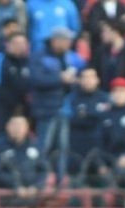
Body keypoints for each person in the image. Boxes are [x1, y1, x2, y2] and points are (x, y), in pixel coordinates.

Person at [30, 26, 85, 178]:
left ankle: (60, 180)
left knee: (63, 147)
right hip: (46, 109)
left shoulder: (69, 57)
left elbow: (78, 77)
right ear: (56, 40)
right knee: (44, 146)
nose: (69, 44)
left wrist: (75, 81)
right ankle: (38, 178)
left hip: (65, 109)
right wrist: (60, 78)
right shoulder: (39, 56)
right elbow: (36, 79)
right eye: (66, 40)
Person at [63, 68, 111, 185]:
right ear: (79, 80)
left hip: (100, 152)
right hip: (76, 152)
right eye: (84, 77)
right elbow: (69, 119)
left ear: (97, 80)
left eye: (91, 77)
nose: (88, 80)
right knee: (76, 193)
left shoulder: (105, 98)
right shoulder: (71, 98)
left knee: (100, 194)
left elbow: (108, 119)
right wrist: (94, 115)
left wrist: (86, 115)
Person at [0, 115, 49, 197]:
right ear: (7, 127)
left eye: (20, 125)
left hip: (33, 196)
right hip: (7, 197)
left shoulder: (36, 146)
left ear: (27, 128)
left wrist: (36, 187)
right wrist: (16, 186)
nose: (17, 128)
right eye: (14, 124)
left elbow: (43, 171)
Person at [0, 33, 31, 138]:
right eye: (16, 43)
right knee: (0, 139)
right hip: (1, 108)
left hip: (22, 109)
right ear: (8, 45)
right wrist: (15, 106)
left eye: (23, 43)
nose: (20, 46)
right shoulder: (0, 59)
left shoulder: (28, 61)